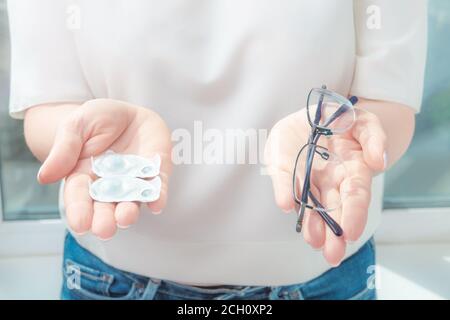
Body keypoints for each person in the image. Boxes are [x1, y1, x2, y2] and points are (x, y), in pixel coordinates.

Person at [8, 0, 427, 300]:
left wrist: (348, 136)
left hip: (326, 280)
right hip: (111, 280)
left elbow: (388, 101)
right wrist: (80, 132)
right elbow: (47, 103)